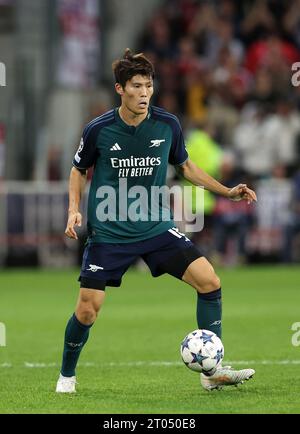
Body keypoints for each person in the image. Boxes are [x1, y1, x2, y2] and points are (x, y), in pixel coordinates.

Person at [55, 49, 257, 393]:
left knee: (209, 281)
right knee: (88, 310)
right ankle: (66, 376)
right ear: (120, 89)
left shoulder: (168, 125)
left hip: (156, 226)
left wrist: (226, 191)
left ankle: (212, 370)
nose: (145, 92)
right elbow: (77, 169)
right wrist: (74, 208)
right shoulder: (99, 129)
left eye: (149, 85)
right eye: (137, 86)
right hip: (110, 231)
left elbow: (186, 166)